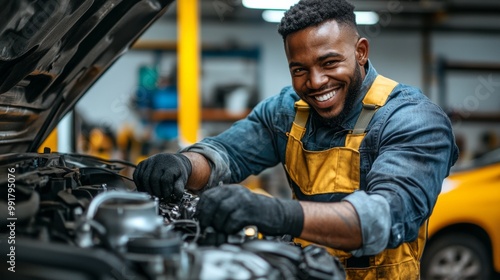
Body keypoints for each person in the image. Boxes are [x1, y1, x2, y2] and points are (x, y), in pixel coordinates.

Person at [133, 0, 459, 278]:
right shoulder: (287, 111)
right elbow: (227, 154)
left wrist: (275, 214)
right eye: (299, 69)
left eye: (329, 62)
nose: (316, 82)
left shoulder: (413, 119)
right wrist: (183, 164)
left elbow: (382, 218)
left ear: (360, 52)